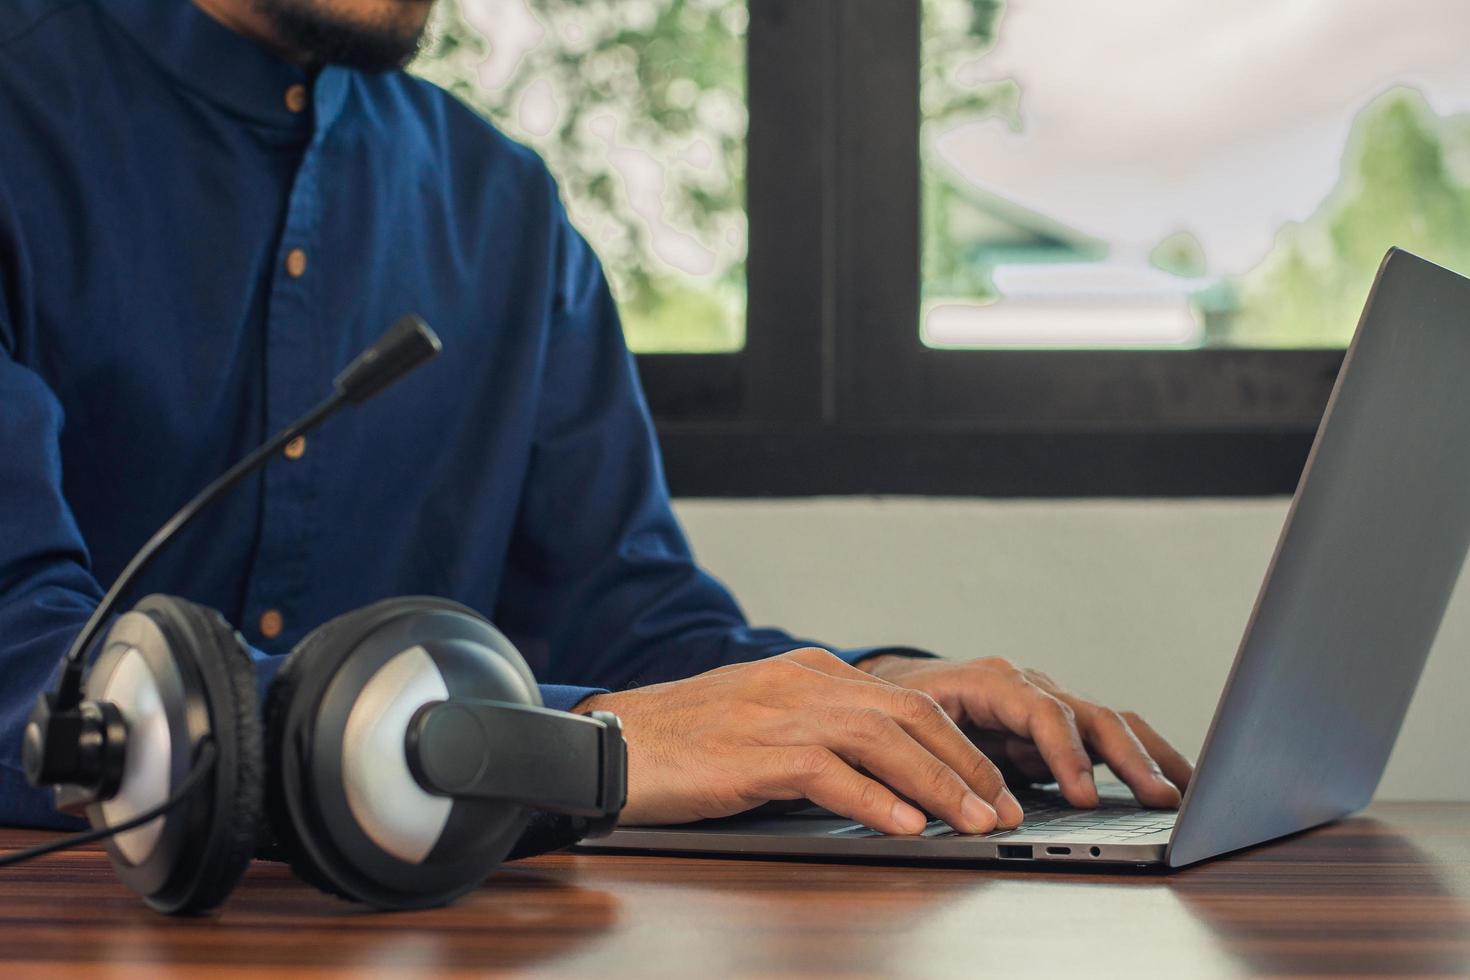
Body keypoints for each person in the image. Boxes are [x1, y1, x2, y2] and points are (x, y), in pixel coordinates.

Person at [0, 0, 1192, 839]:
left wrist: (877, 694)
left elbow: (625, 616)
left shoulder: (504, 205)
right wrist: (579, 746)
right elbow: (21, 670)